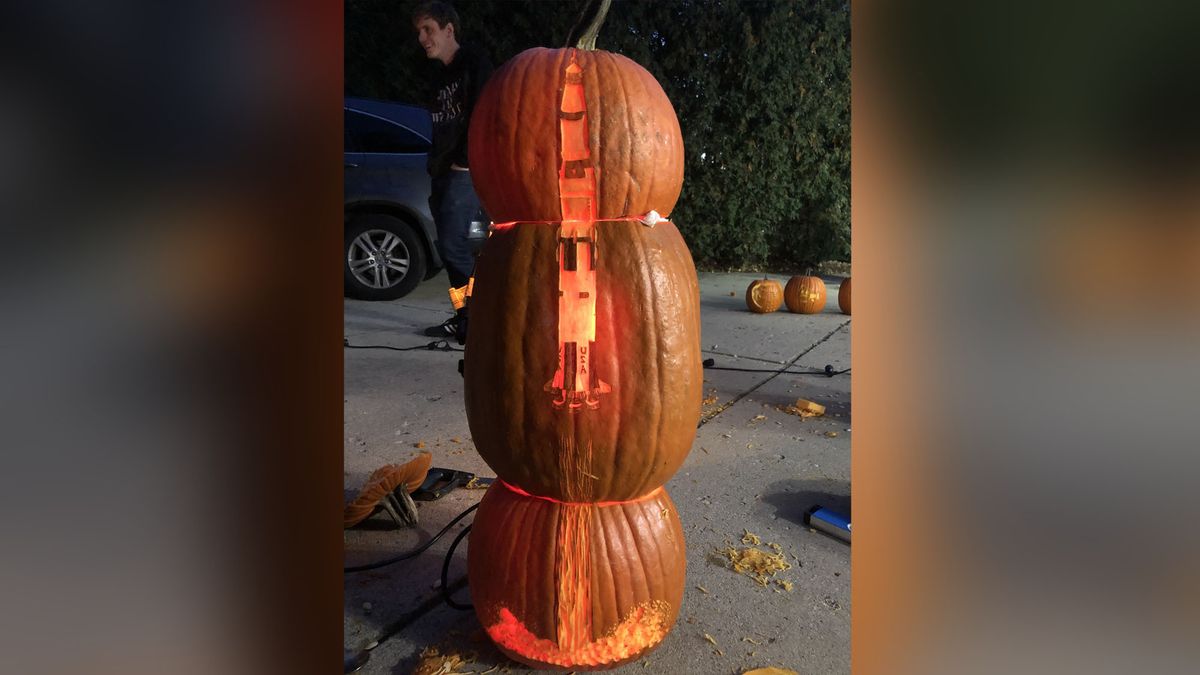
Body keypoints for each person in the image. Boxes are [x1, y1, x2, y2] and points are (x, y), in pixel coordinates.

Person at [412, 1, 492, 343]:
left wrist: (464, 160)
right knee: (458, 249)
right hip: (444, 172)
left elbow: (485, 114)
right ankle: (467, 316)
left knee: (454, 246)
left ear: (449, 29)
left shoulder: (474, 64)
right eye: (418, 32)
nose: (421, 38)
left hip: (465, 172)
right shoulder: (436, 77)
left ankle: (474, 317)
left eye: (428, 29)